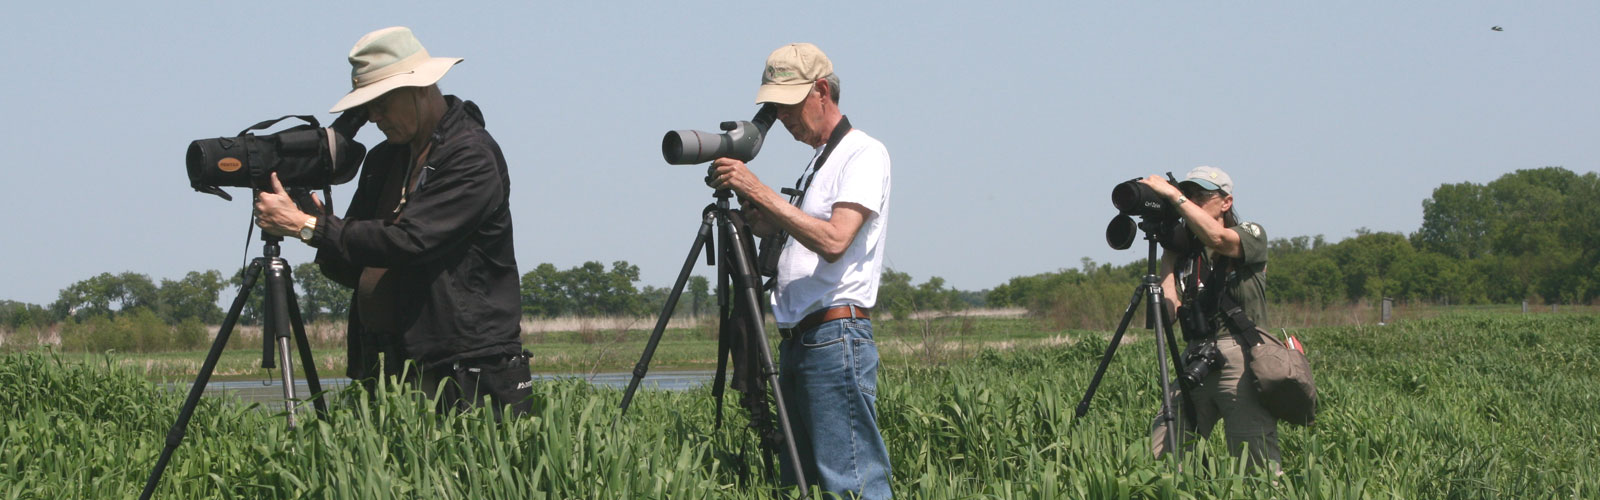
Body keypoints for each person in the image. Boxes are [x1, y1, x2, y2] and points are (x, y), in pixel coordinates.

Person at [254, 26, 531, 417]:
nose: (374, 117)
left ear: (421, 88)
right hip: (388, 362)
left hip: (466, 363)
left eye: (382, 103)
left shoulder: (470, 155)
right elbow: (359, 260)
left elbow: (410, 242)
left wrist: (308, 226)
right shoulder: (386, 159)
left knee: (474, 475)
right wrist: (313, 222)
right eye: (367, 108)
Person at [706, 42, 894, 499]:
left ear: (822, 91)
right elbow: (806, 234)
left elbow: (834, 240)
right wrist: (758, 215)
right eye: (775, 106)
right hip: (802, 341)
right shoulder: (820, 160)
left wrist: (761, 189)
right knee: (802, 484)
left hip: (834, 337)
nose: (783, 117)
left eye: (789, 105)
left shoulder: (863, 153)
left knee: (852, 483)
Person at [1142, 166, 1279, 471]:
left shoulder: (1250, 234)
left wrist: (1174, 196)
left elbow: (1218, 238)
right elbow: (1167, 315)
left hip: (1241, 356)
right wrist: (1169, 254)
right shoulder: (1188, 254)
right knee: (1165, 453)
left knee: (1254, 462)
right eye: (1188, 194)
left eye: (1200, 196)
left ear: (1226, 202)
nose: (1192, 201)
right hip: (1196, 356)